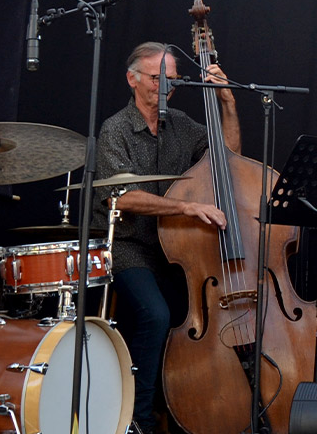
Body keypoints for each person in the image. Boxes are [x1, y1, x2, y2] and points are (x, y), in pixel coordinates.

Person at [92, 42, 237, 432]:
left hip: (177, 252)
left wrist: (227, 104)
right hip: (128, 247)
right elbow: (123, 197)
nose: (165, 87)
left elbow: (228, 161)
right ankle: (138, 421)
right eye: (158, 78)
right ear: (133, 79)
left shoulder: (183, 125)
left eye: (173, 79)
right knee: (155, 316)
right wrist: (187, 208)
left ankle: (184, 409)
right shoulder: (115, 129)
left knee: (197, 317)